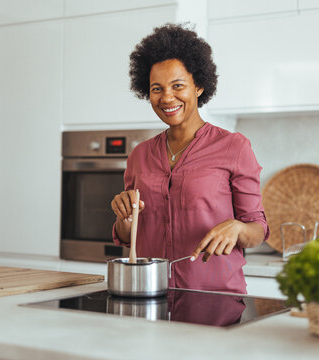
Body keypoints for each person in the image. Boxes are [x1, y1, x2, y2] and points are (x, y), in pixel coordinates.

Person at [110, 23, 269, 294]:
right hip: (151, 294)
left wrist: (237, 228)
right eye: (156, 89)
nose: (167, 97)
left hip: (215, 298)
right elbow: (127, 236)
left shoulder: (233, 147)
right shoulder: (140, 155)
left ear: (199, 86)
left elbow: (258, 230)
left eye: (177, 85)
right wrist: (125, 217)